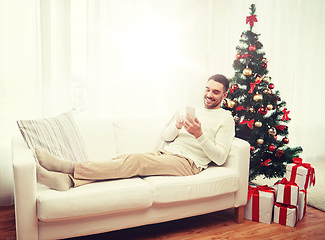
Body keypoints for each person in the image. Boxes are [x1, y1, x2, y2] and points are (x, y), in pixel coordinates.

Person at [35, 74, 235, 191]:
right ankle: (67, 181)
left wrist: (200, 135)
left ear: (224, 95)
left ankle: (69, 167)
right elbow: (166, 137)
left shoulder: (225, 119)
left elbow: (220, 157)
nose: (209, 95)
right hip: (167, 153)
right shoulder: (193, 110)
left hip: (189, 164)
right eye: (207, 89)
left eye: (215, 92)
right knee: (125, 159)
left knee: (136, 162)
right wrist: (178, 126)